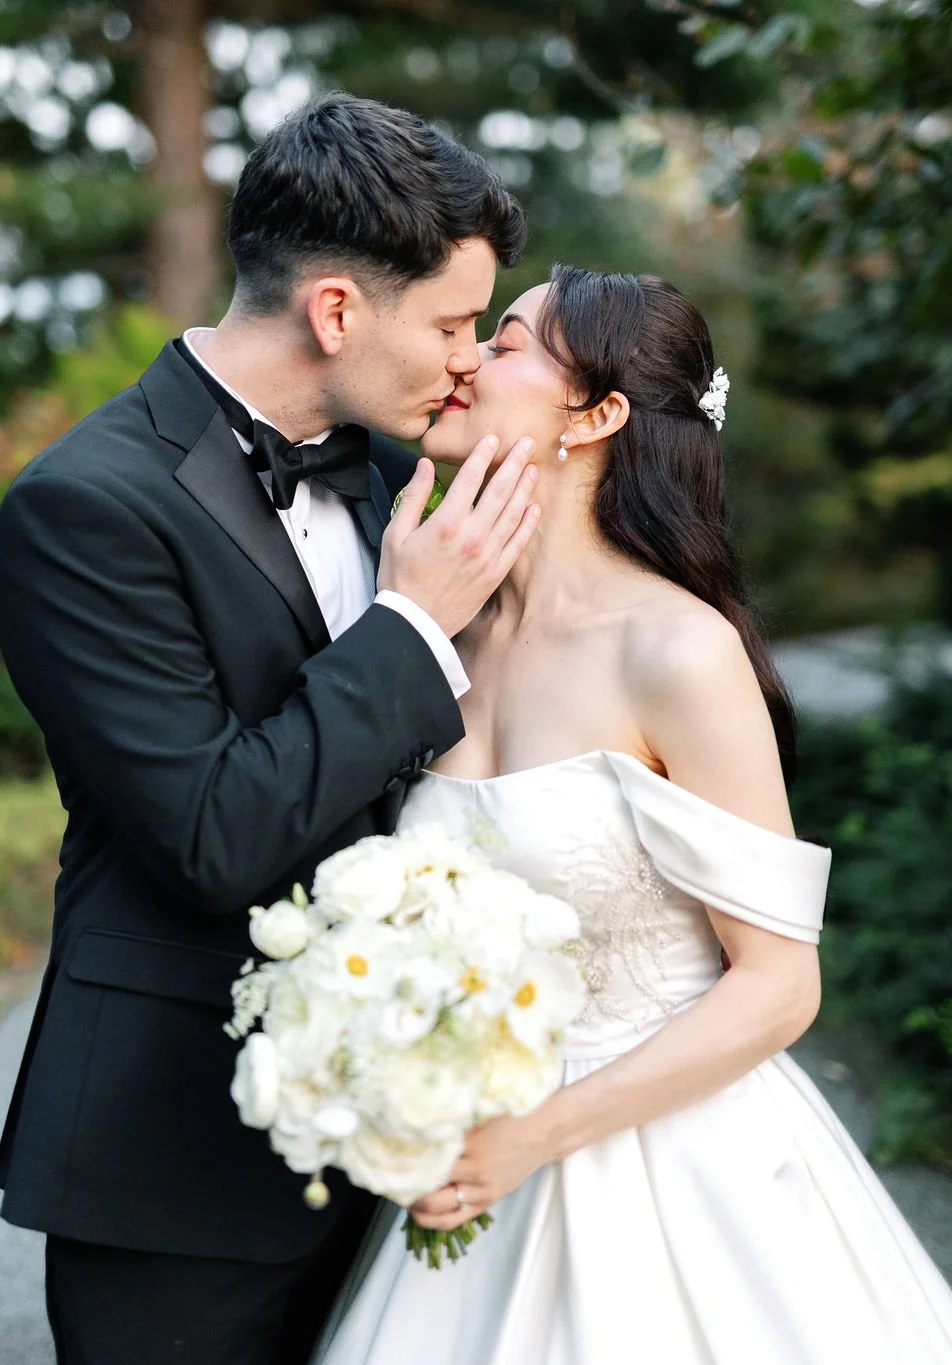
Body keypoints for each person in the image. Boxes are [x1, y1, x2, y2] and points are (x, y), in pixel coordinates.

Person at [0, 93, 542, 1365]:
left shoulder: (400, 473)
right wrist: (409, 629)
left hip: (411, 1138)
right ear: (337, 309)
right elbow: (212, 829)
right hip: (175, 1144)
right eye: (455, 324)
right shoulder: (85, 508)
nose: (471, 359)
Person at [312, 267, 952, 1365]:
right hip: (470, 1163)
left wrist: (536, 1138)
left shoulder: (678, 649)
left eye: (506, 341)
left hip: (675, 1170)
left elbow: (781, 982)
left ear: (597, 414)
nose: (466, 357)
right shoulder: (435, 639)